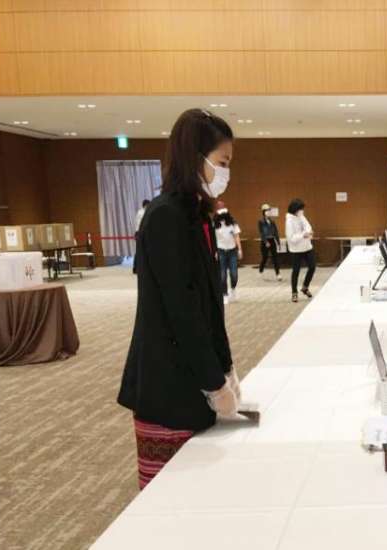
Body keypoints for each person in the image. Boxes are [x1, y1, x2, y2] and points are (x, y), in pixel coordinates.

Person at [118, 108, 240, 490]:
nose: (226, 173)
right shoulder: (165, 216)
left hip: (192, 376)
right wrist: (214, 384)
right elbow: (182, 312)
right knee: (168, 494)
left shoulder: (197, 215)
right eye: (222, 163)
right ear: (195, 158)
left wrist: (226, 367)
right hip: (166, 382)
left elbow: (210, 307)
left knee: (200, 491)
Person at [285, 198, 316, 303]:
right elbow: (291, 238)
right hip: (296, 250)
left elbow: (308, 226)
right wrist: (303, 235)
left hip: (307, 247)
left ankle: (305, 287)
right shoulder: (289, 221)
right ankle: (294, 293)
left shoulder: (301, 216)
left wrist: (308, 232)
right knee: (296, 271)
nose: (302, 211)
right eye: (300, 209)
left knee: (312, 266)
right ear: (295, 209)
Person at [214, 205, 243, 303]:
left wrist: (240, 249)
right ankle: (224, 294)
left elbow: (237, 236)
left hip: (232, 251)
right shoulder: (215, 225)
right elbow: (214, 240)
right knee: (222, 275)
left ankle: (233, 289)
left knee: (234, 274)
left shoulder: (233, 224)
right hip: (221, 251)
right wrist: (215, 251)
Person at [258, 203, 282, 281]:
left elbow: (276, 232)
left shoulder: (272, 221)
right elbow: (261, 233)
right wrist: (265, 242)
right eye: (266, 211)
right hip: (265, 241)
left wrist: (278, 243)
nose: (268, 212)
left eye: (269, 210)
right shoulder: (261, 221)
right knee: (265, 257)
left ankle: (278, 274)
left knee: (275, 258)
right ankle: (261, 271)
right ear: (263, 212)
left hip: (272, 240)